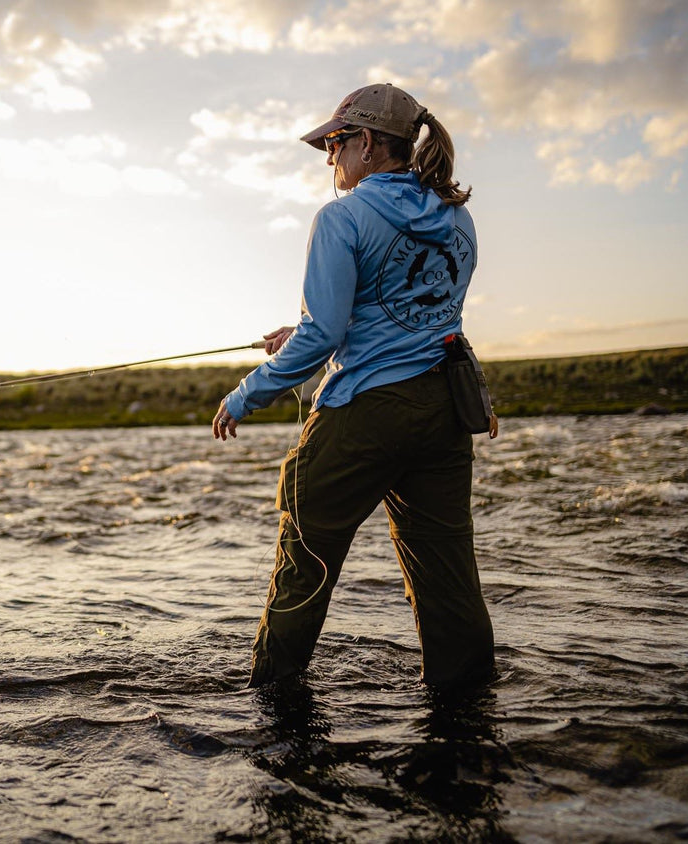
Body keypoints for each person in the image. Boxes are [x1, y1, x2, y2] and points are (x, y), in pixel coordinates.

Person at [211, 83, 494, 690]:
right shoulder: (457, 216)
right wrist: (312, 327)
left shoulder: (341, 218)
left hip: (366, 415)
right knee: (448, 576)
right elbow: (415, 307)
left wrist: (245, 396)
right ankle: (468, 714)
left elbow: (325, 336)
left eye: (335, 144)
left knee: (304, 564)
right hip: (445, 413)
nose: (330, 158)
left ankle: (274, 706)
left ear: (367, 143)